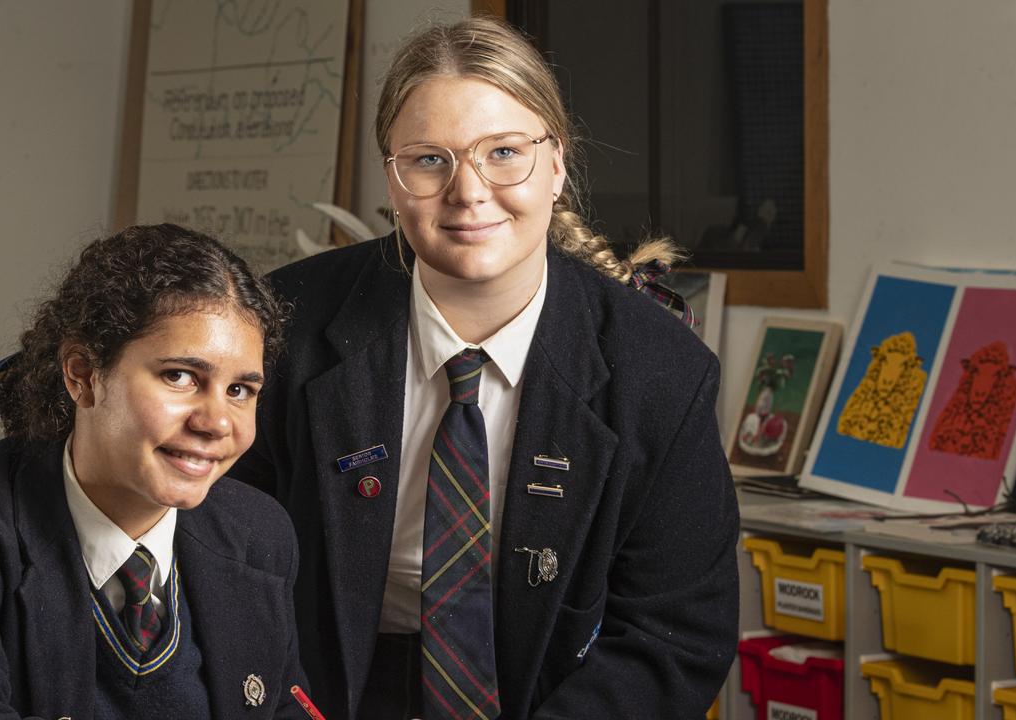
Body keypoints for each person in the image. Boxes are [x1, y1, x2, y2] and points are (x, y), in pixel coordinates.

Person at [231, 16, 739, 720]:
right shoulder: (283, 326)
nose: (468, 191)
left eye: (504, 152)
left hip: (556, 696)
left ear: (557, 164)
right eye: (429, 159)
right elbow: (218, 561)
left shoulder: (660, 371)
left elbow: (674, 636)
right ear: (392, 178)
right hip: (321, 687)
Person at [0, 224, 309, 719]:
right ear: (82, 375)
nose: (215, 423)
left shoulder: (259, 533)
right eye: (179, 377)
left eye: (240, 391)